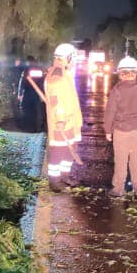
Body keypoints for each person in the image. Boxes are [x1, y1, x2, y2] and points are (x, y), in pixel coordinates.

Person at [104, 56, 137, 197]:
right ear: (135, 73)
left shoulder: (117, 91)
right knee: (136, 159)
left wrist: (108, 130)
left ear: (120, 73)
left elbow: (110, 112)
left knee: (121, 160)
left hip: (121, 131)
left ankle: (119, 188)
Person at [45, 43, 83, 191]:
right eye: (73, 58)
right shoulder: (57, 74)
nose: (74, 61)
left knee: (69, 149)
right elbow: (56, 100)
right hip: (62, 122)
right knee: (58, 152)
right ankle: (54, 181)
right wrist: (60, 118)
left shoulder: (64, 72)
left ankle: (64, 176)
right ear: (67, 58)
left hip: (71, 122)